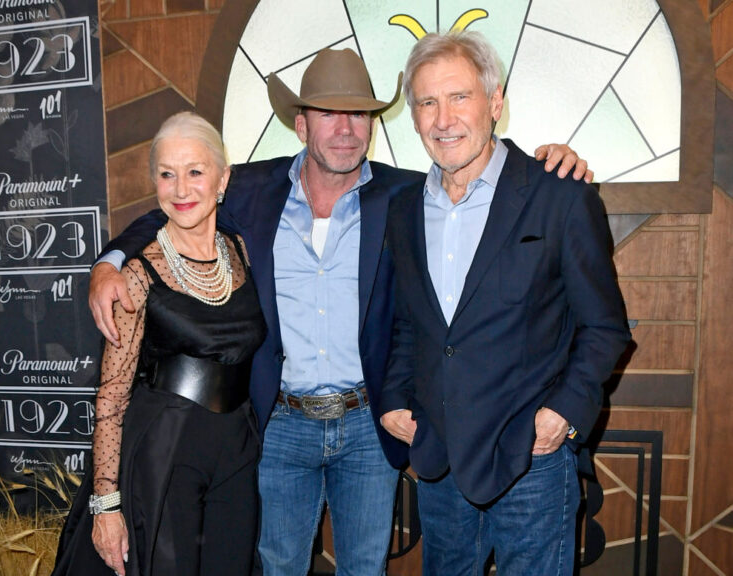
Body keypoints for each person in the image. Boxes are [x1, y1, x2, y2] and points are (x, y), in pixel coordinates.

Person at [88, 49, 592, 576]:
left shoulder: (407, 194)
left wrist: (556, 163)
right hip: (280, 424)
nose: (346, 129)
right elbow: (172, 205)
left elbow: (492, 175)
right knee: (277, 565)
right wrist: (110, 261)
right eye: (329, 114)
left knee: (364, 568)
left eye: (359, 114)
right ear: (301, 125)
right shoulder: (252, 190)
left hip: (368, 427)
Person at [380, 31, 632, 576]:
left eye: (459, 97)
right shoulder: (403, 210)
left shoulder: (559, 192)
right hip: (439, 462)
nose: (443, 118)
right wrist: (395, 399)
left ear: (495, 104)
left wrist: (563, 414)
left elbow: (605, 327)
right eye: (426, 102)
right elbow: (410, 323)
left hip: (531, 462)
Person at [52, 111, 266, 576]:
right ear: (154, 182)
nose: (181, 189)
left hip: (237, 451)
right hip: (165, 455)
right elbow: (111, 395)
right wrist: (106, 505)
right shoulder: (136, 273)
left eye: (195, 172)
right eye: (167, 174)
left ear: (221, 178)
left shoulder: (240, 250)